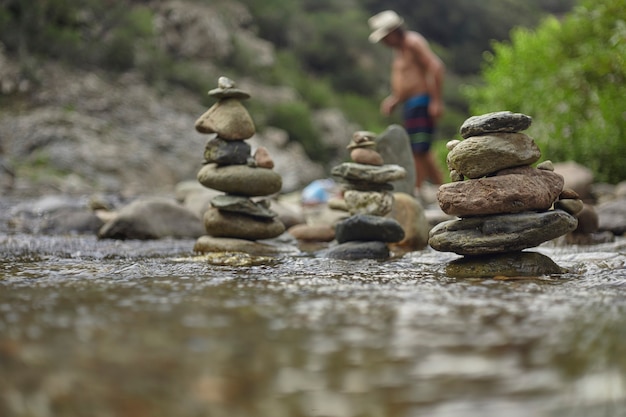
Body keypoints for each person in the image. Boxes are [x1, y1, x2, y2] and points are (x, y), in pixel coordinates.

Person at [368, 10, 445, 194]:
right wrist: (394, 100)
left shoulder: (412, 42)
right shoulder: (399, 51)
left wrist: (436, 100)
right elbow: (408, 80)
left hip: (421, 101)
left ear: (394, 31)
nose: (384, 43)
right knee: (420, 149)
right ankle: (439, 187)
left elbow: (435, 67)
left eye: (385, 37)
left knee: (418, 150)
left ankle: (418, 189)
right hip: (410, 103)